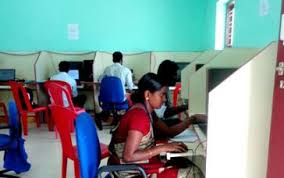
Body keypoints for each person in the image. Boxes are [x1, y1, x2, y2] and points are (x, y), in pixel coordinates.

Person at [108, 73, 201, 178]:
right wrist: (163, 148)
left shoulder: (149, 112)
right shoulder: (139, 117)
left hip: (138, 164)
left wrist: (192, 120)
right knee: (192, 171)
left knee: (182, 161)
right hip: (129, 172)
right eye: (162, 95)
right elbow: (128, 156)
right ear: (147, 95)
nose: (165, 99)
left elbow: (168, 131)